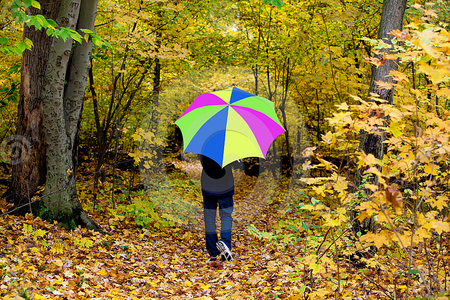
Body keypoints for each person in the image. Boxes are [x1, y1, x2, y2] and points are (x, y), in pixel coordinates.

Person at [199, 155, 235, 262]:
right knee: (226, 216)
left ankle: (213, 252)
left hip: (208, 184)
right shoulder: (229, 145)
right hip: (225, 184)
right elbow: (236, 165)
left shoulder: (203, 143)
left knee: (209, 217)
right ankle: (225, 244)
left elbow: (203, 163)